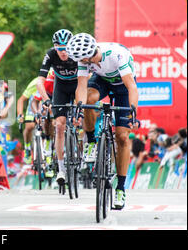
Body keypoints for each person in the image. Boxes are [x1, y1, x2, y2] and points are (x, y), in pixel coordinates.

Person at [67, 33, 139, 210]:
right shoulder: (83, 60)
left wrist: (133, 113)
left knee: (122, 137)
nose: (81, 61)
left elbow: (131, 86)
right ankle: (91, 141)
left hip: (123, 85)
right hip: (102, 81)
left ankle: (120, 188)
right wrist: (79, 108)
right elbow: (82, 86)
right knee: (89, 100)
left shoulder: (117, 55)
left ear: (88, 54)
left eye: (81, 58)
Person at [37, 29, 78, 185]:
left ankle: (87, 144)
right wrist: (46, 100)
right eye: (59, 48)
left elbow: (87, 77)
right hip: (60, 87)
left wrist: (79, 104)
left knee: (80, 117)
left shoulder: (76, 53)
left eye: (65, 48)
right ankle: (61, 169)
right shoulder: (51, 54)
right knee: (59, 125)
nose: (63, 52)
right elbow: (40, 81)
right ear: (55, 47)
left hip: (77, 85)